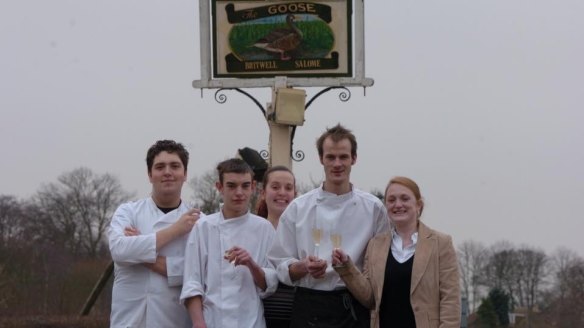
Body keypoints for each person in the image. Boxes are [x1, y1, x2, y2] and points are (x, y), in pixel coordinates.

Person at [269, 124, 389, 328]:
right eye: (330, 157)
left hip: (353, 305)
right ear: (321, 159)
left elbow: (381, 266)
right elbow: (279, 263)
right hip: (308, 305)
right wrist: (303, 266)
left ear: (354, 159)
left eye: (343, 157)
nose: (337, 164)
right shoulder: (298, 208)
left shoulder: (374, 209)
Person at [332, 176, 461, 328]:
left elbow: (450, 300)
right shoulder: (375, 245)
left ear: (418, 205)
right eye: (391, 200)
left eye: (405, 199)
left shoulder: (441, 243)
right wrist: (346, 267)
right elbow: (370, 298)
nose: (398, 204)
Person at [108, 140, 201, 328]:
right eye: (160, 167)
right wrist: (176, 230)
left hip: (174, 320)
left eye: (175, 166)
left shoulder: (200, 221)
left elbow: (198, 273)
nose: (167, 172)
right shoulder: (128, 212)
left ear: (185, 174)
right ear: (150, 175)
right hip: (128, 321)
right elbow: (118, 250)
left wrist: (138, 253)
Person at [181, 158, 278, 328]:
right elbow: (192, 282)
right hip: (212, 322)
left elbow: (270, 284)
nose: (239, 192)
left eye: (245, 186)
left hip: (251, 322)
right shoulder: (203, 227)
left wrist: (250, 264)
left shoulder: (264, 228)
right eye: (232, 186)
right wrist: (198, 323)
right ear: (220, 187)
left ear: (253, 187)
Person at [255, 166, 297, 328]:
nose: (282, 192)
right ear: (263, 192)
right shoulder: (251, 232)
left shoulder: (305, 234)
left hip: (295, 318)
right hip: (256, 318)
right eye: (275, 187)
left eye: (288, 188)